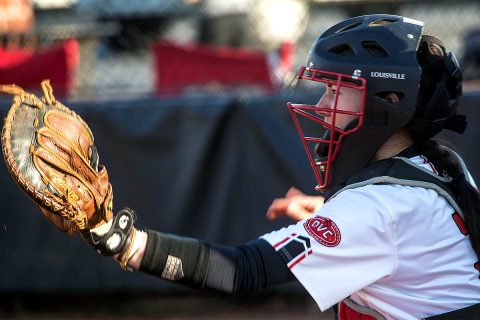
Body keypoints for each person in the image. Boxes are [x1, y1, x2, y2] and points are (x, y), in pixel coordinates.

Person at [85, 14, 480, 319]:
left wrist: (126, 241)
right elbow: (400, 232)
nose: (324, 105)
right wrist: (331, 215)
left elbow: (242, 269)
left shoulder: (377, 210)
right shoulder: (439, 165)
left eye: (336, 90)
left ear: (388, 101)